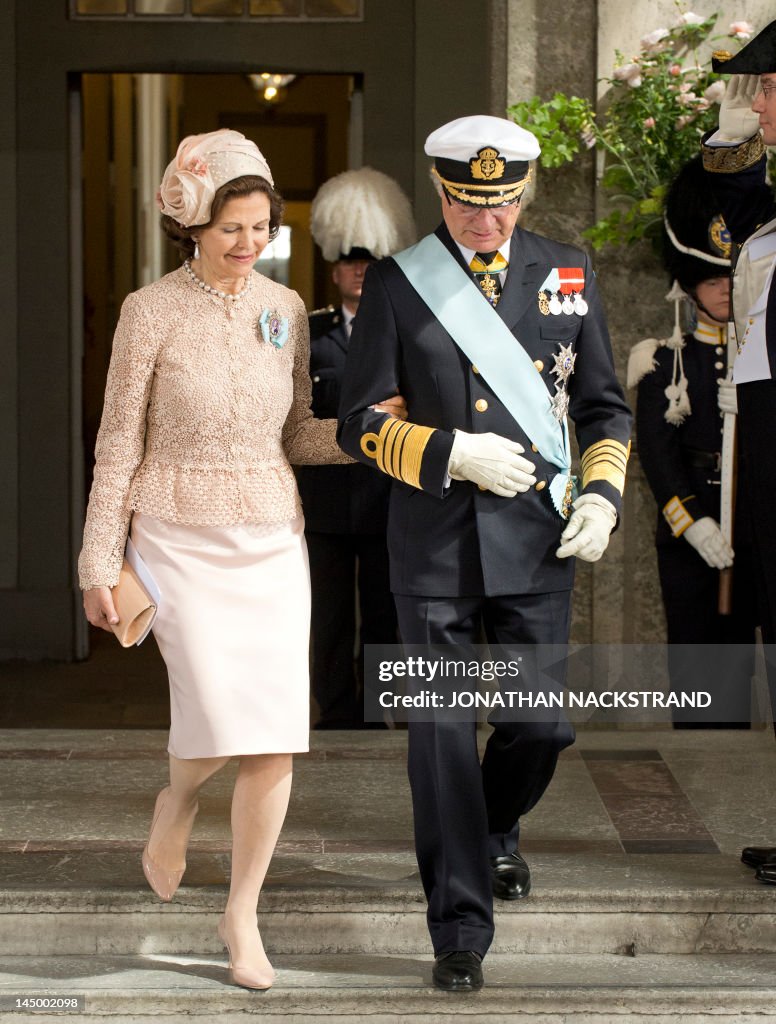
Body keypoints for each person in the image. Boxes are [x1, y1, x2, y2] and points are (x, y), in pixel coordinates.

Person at [78, 129, 404, 990]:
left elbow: (297, 432)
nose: (249, 244)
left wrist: (377, 433)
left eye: (262, 227)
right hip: (176, 535)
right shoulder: (148, 312)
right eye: (232, 228)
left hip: (269, 536)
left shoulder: (286, 309)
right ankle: (177, 802)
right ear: (192, 224)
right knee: (220, 713)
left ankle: (241, 914)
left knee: (273, 737)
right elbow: (116, 445)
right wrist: (94, 561)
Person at [337, 115, 632, 992]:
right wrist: (446, 453)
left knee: (540, 725)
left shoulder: (566, 273)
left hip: (538, 542)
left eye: (501, 206)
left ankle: (493, 828)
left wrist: (606, 494)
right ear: (442, 193)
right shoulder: (398, 283)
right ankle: (459, 926)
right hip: (431, 546)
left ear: (523, 194)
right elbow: (359, 423)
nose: (486, 224)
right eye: (469, 206)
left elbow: (604, 405)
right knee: (437, 738)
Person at [629, 155, 758, 728]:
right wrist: (693, 522)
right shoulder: (664, 360)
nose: (724, 290)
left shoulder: (761, 359)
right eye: (711, 279)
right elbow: (658, 460)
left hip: (752, 524)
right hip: (691, 532)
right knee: (699, 672)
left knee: (746, 663)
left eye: (731, 277)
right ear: (689, 286)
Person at [297, 168, 415, 728]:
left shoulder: (406, 332)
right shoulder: (310, 335)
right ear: (333, 263)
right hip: (323, 506)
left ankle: (378, 714)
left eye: (369, 258)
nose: (360, 268)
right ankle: (338, 714)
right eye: (349, 258)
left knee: (387, 616)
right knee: (329, 619)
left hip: (390, 501)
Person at [699, 23, 776, 883]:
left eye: (769, 87)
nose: (756, 103)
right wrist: (730, 145)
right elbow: (710, 215)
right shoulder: (764, 211)